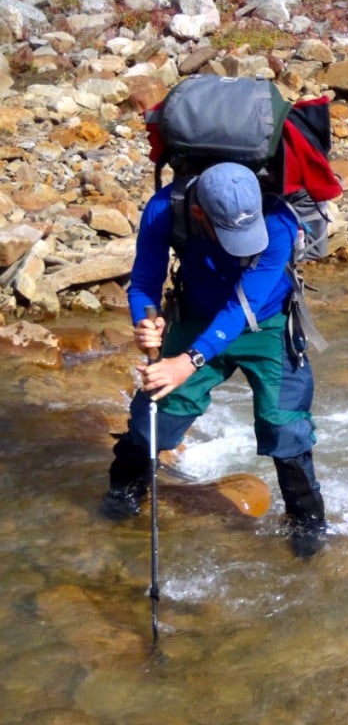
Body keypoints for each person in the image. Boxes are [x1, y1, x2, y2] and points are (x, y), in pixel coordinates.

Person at [102, 161, 327, 558]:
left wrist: (186, 361)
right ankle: (125, 490)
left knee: (284, 425)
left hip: (267, 324)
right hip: (197, 315)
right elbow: (144, 283)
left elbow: (245, 306)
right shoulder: (164, 209)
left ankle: (307, 521)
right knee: (157, 416)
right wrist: (146, 322)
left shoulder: (278, 221)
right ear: (199, 214)